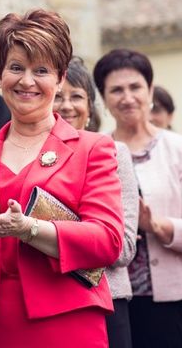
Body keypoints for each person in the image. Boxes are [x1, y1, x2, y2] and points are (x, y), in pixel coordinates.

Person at [0, 9, 124, 348]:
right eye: (16, 68)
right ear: (0, 76)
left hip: (65, 326)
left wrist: (27, 228)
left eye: (42, 71)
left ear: (61, 78)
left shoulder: (93, 148)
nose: (27, 81)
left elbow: (107, 241)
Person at [93, 48, 182, 348]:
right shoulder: (95, 150)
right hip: (106, 296)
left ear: (150, 90)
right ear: (104, 99)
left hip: (164, 300)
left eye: (135, 87)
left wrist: (157, 225)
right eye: (116, 90)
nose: (127, 97)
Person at [53, 56, 138, 348]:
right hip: (49, 302)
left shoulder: (115, 153)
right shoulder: (26, 154)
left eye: (76, 96)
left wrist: (49, 230)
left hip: (106, 300)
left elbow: (123, 247)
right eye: (57, 97)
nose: (66, 105)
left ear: (90, 107)